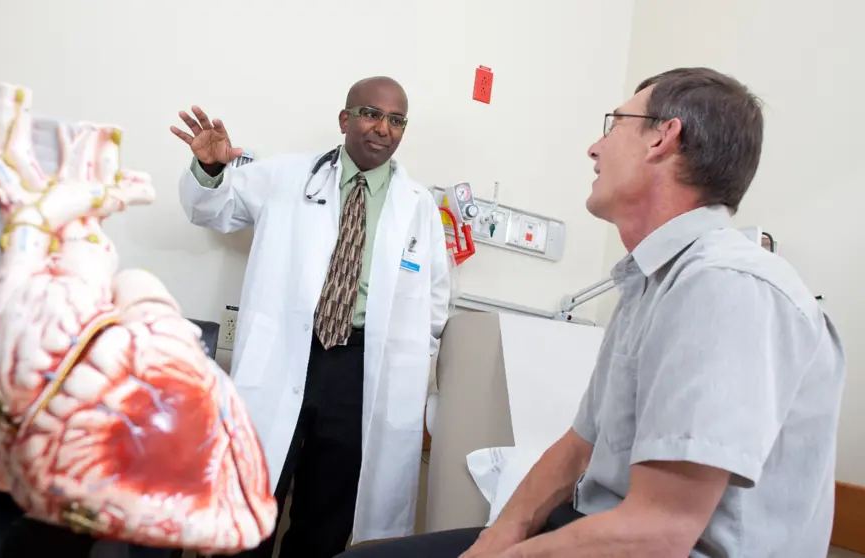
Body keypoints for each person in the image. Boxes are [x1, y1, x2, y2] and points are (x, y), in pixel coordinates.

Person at [336, 67, 846, 558]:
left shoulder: (724, 287)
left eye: (614, 123)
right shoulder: (648, 283)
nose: (594, 147)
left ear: (662, 137)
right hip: (604, 526)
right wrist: (496, 537)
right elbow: (576, 448)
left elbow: (657, 534)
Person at [170, 76, 451, 557]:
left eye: (396, 120)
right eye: (371, 113)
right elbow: (215, 210)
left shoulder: (419, 206)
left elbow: (436, 300)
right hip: (285, 357)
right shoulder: (285, 175)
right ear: (345, 119)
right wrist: (208, 167)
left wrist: (405, 362)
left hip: (359, 372)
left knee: (326, 517)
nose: (383, 128)